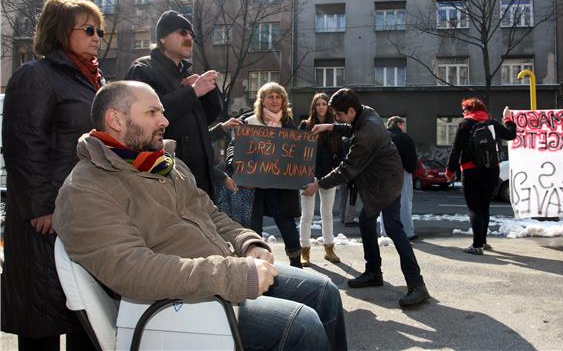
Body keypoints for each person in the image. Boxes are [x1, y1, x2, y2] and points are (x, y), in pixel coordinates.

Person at [52, 81, 347, 351]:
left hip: (216, 281)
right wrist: (233, 274)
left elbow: (210, 213)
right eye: (152, 112)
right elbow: (131, 270)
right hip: (177, 309)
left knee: (325, 292)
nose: (165, 121)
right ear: (116, 120)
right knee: (303, 326)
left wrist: (247, 243)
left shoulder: (164, 165)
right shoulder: (86, 189)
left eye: (162, 112)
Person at [1, 0, 103, 351]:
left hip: (81, 213)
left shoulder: (90, 80)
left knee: (85, 318)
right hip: (44, 220)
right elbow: (22, 146)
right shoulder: (36, 75)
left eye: (100, 31)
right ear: (61, 31)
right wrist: (43, 207)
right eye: (88, 29)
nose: (97, 37)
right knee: (42, 322)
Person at [303, 88, 429, 307]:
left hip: (386, 183)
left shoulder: (366, 133)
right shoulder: (366, 112)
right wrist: (331, 126)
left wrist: (318, 184)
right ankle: (373, 271)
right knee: (366, 222)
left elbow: (346, 169)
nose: (338, 118)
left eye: (339, 115)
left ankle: (417, 285)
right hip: (379, 179)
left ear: (351, 110)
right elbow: (350, 125)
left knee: (394, 228)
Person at [125, 10, 226, 201]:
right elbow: (143, 118)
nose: (189, 38)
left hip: (199, 182)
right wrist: (192, 92)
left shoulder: (185, 76)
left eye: (192, 34)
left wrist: (209, 91)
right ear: (162, 37)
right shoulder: (142, 69)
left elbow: (208, 118)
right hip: (166, 181)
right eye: (182, 32)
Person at [226, 82, 303, 268]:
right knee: (253, 225)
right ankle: (256, 265)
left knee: (287, 224)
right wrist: (233, 164)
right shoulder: (247, 122)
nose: (275, 100)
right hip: (254, 185)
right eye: (271, 96)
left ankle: (296, 263)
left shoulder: (290, 126)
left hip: (281, 186)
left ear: (284, 101)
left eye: (279, 97)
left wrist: (305, 174)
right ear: (262, 100)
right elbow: (233, 147)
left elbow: (300, 156)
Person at [445, 98, 516, 255]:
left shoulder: (465, 124)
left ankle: (477, 245)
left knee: (474, 208)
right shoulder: (492, 123)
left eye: (464, 110)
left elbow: (456, 149)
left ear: (469, 110)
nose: (463, 113)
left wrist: (450, 172)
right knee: (484, 207)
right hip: (492, 170)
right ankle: (483, 241)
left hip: (471, 172)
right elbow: (511, 135)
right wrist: (508, 118)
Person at [298, 93, 342, 266]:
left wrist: (334, 170)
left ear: (328, 107)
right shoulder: (305, 125)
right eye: (318, 104)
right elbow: (297, 151)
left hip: (328, 176)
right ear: (314, 107)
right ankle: (305, 251)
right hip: (307, 176)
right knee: (306, 215)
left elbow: (340, 153)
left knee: (327, 214)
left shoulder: (334, 128)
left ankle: (329, 249)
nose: (321, 107)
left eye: (324, 104)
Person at [386, 116, 418, 240]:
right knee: (405, 203)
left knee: (385, 203)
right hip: (402, 173)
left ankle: (386, 233)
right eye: (403, 125)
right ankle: (407, 232)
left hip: (384, 174)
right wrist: (410, 169)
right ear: (399, 124)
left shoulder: (382, 136)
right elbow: (411, 160)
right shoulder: (405, 138)